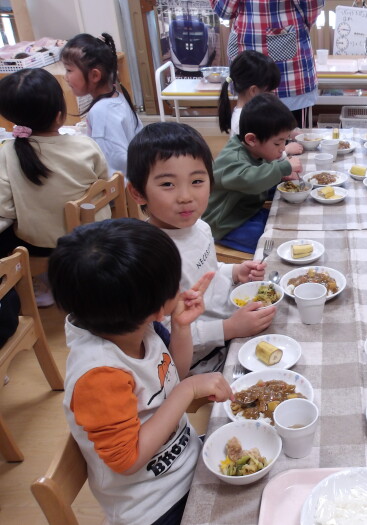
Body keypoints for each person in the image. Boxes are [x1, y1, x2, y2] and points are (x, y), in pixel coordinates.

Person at [49, 218, 233, 525]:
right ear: (157, 307)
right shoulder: (99, 375)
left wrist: (181, 327)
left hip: (187, 459)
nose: (181, 289)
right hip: (154, 504)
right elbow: (128, 459)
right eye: (174, 284)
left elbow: (172, 374)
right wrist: (187, 390)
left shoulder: (137, 326)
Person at [127, 122, 276, 373]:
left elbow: (206, 270)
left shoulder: (200, 226)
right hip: (202, 358)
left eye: (197, 181)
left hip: (231, 319)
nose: (186, 196)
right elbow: (167, 333)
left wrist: (234, 271)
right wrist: (229, 328)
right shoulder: (151, 258)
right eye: (168, 184)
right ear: (138, 193)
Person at [0, 68, 110, 306]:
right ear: (60, 114)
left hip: (41, 245)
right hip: (92, 233)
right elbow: (104, 184)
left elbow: (5, 209)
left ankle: (37, 285)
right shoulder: (85, 145)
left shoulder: (7, 152)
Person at [203, 93, 301, 253]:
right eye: (278, 143)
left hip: (248, 208)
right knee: (273, 242)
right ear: (252, 139)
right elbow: (251, 180)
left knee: (285, 223)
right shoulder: (233, 159)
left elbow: (261, 172)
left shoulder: (255, 150)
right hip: (227, 223)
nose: (283, 148)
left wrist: (280, 176)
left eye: (285, 141)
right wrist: (283, 168)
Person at [210, 0, 324, 128]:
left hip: (276, 67)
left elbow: (224, 10)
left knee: (263, 134)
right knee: (287, 135)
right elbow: (311, 8)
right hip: (278, 63)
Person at [61, 32, 143, 178]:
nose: (65, 77)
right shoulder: (117, 95)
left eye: (69, 70)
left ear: (94, 75)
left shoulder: (101, 111)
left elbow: (111, 165)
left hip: (122, 186)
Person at [217, 49, 303, 156]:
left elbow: (266, 133)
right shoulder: (242, 121)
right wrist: (286, 150)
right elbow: (256, 159)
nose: (273, 96)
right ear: (253, 91)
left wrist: (286, 134)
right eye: (269, 91)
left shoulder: (252, 113)